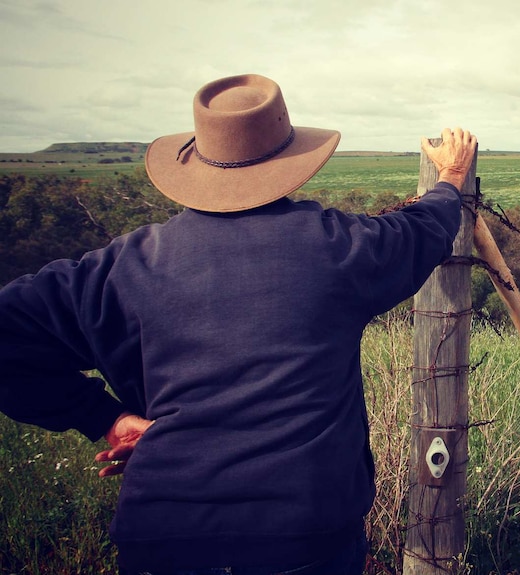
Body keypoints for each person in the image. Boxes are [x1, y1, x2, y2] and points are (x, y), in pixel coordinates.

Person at [0, 73, 477, 575]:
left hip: (162, 539)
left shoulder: (124, 268)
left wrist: (104, 418)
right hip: (304, 537)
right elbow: (421, 232)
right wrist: (450, 180)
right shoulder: (337, 247)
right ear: (289, 161)